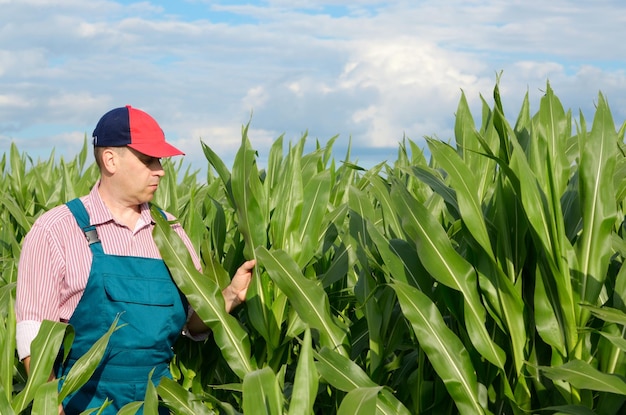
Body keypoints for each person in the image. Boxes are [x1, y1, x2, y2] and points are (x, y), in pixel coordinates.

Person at [15, 105, 255, 415]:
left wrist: (231, 295)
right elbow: (35, 340)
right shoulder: (57, 230)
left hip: (161, 402)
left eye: (160, 160)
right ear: (110, 160)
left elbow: (193, 320)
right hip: (84, 404)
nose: (160, 170)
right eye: (148, 160)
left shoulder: (170, 232)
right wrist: (52, 409)